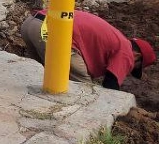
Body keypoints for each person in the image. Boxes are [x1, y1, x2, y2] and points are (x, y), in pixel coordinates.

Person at [19, 9, 156, 89]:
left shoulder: (116, 39)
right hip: (51, 31)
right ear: (137, 56)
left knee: (49, 75)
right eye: (134, 68)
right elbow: (111, 85)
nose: (128, 70)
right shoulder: (126, 51)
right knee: (85, 90)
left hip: (31, 23)